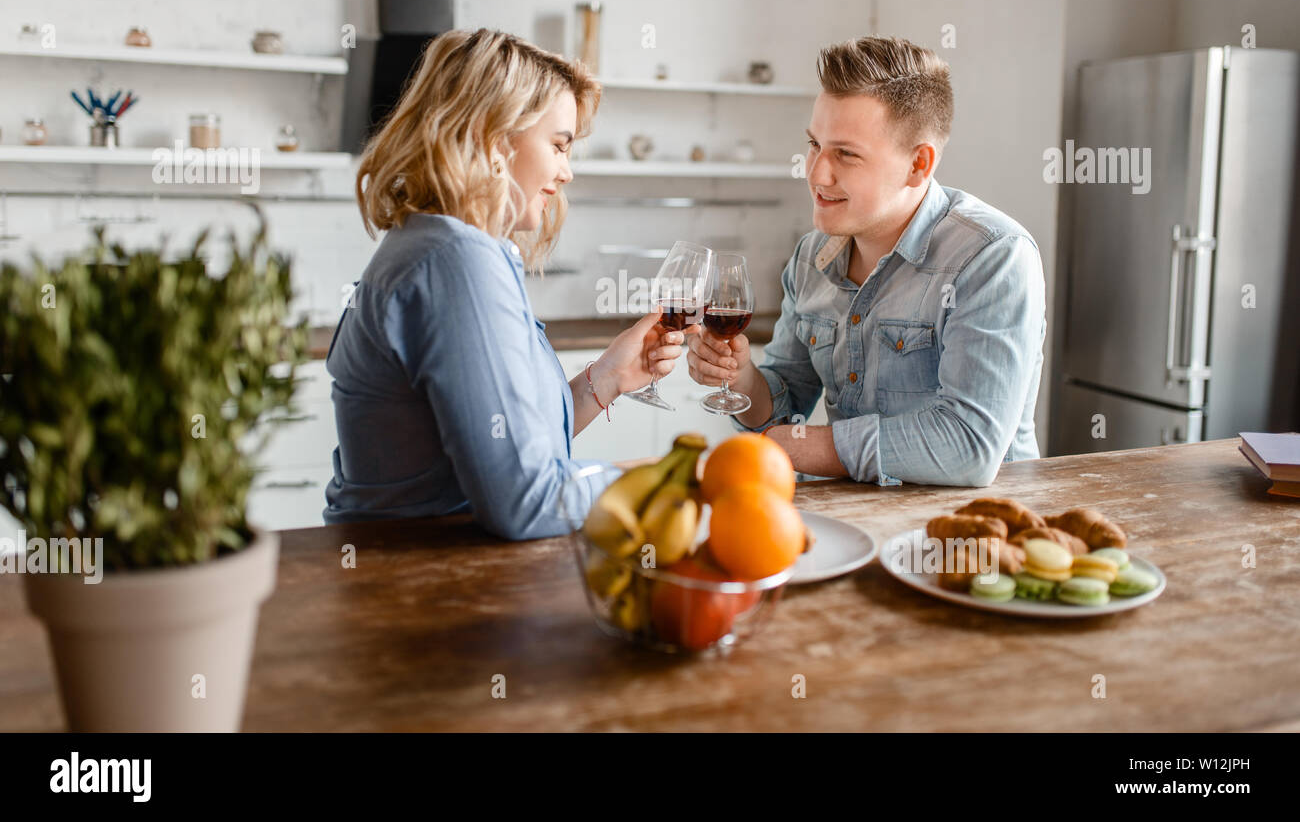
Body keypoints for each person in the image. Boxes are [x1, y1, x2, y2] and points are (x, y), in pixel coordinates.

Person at [324, 28, 689, 536]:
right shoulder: (457, 261)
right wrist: (676, 484)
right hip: (422, 591)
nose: (566, 172)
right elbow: (528, 502)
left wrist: (607, 376)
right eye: (559, 145)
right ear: (493, 136)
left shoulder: (439, 245)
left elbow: (508, 445)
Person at [687, 35, 1046, 487]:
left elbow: (968, 446)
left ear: (919, 164)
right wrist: (741, 379)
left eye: (846, 154)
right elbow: (781, 408)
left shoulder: (992, 256)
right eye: (814, 144)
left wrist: (800, 447)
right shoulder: (811, 257)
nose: (815, 172)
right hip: (856, 526)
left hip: (978, 539)